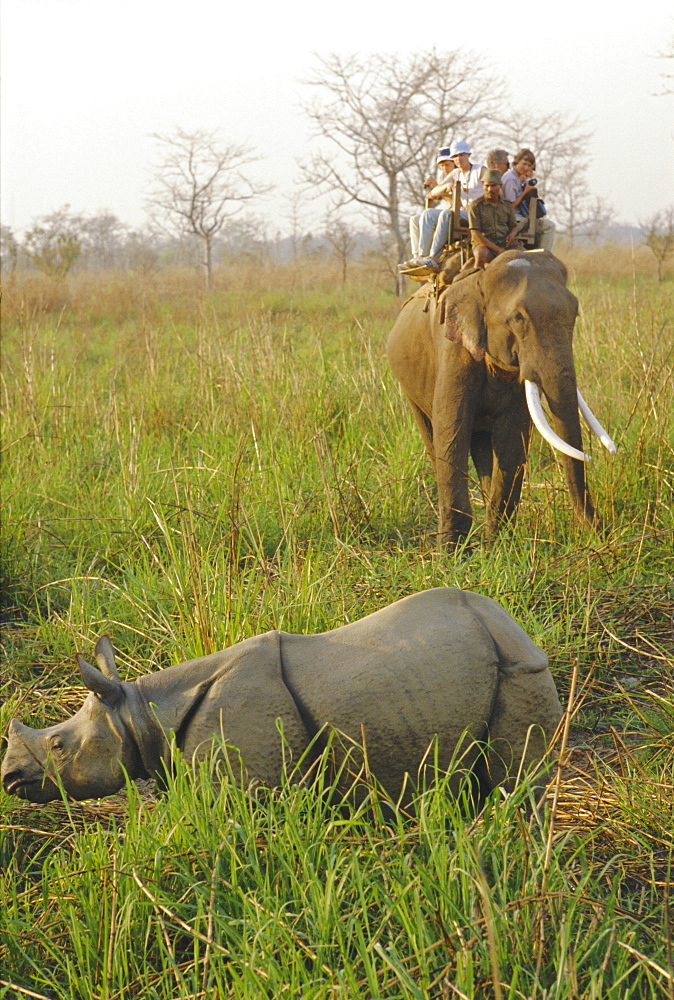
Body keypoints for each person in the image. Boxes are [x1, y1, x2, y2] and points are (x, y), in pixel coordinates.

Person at [401, 140, 485, 271]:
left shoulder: (480, 170)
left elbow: (494, 190)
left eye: (462, 155)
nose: (459, 159)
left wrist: (477, 204)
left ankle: (434, 257)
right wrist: (446, 186)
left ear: (468, 155)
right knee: (428, 213)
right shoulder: (456, 174)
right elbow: (434, 192)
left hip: (477, 213)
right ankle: (422, 256)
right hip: (462, 212)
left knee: (447, 213)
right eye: (455, 156)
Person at [400, 148, 455, 269]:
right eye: (441, 166)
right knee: (414, 219)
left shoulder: (457, 174)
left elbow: (458, 201)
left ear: (454, 163)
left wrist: (438, 189)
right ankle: (416, 256)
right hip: (444, 213)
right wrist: (434, 192)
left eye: (447, 165)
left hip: (455, 213)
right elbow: (443, 197)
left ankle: (425, 255)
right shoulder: (442, 176)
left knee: (429, 213)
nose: (444, 168)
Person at [500, 148, 556, 252]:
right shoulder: (510, 178)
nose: (526, 168)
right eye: (524, 164)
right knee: (548, 226)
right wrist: (525, 192)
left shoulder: (517, 178)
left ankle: (537, 251)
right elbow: (510, 206)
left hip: (518, 218)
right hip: (513, 219)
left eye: (529, 166)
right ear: (516, 162)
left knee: (537, 223)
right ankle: (543, 256)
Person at [468, 168, 518, 268]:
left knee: (526, 256)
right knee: (480, 255)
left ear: (500, 186)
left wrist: (512, 234)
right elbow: (475, 235)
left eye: (493, 185)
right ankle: (476, 280)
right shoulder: (476, 205)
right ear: (483, 186)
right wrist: (497, 249)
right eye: (486, 186)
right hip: (485, 245)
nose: (489, 189)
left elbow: (514, 226)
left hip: (505, 244)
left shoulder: (507, 204)